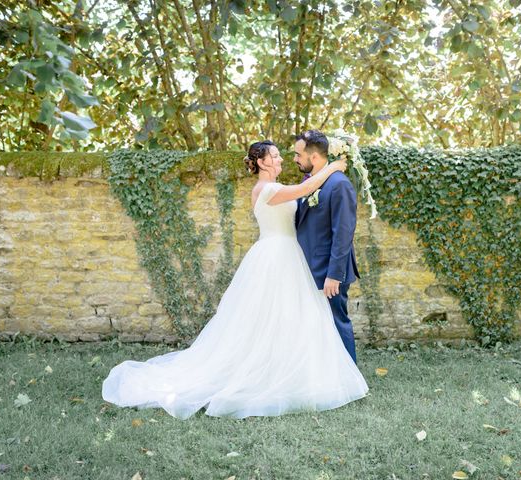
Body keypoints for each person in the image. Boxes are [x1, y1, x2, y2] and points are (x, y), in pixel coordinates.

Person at [101, 140, 369, 420]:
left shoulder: (273, 189)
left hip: (287, 255)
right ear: (263, 162)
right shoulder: (267, 190)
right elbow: (304, 190)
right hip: (276, 257)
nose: (281, 160)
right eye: (276, 156)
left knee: (289, 317)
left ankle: (293, 367)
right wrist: (335, 167)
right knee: (272, 317)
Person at [294, 130, 360, 364]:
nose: (295, 159)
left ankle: (350, 378)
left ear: (314, 157)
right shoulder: (310, 182)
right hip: (310, 266)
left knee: (336, 321)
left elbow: (343, 233)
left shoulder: (338, 184)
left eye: (298, 154)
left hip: (329, 270)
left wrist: (334, 274)